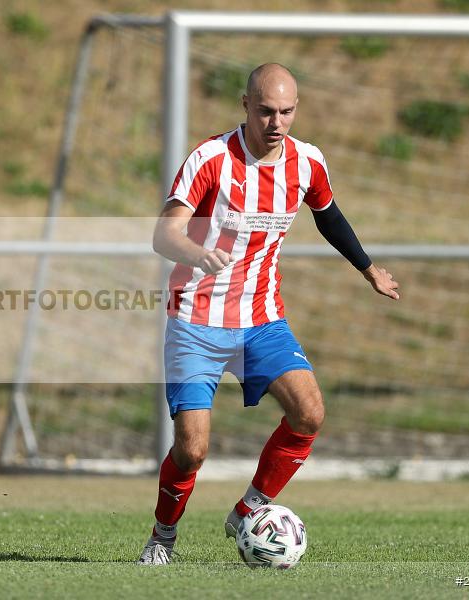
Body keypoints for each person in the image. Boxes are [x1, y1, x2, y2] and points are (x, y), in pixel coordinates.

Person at [138, 64, 399, 565]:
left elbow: (329, 216)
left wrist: (368, 269)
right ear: (245, 106)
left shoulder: (307, 162)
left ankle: (250, 508)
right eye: (265, 111)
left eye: (286, 111)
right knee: (192, 450)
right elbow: (163, 234)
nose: (276, 122)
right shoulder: (209, 159)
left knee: (310, 412)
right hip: (196, 320)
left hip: (261, 319)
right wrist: (196, 255)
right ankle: (162, 536)